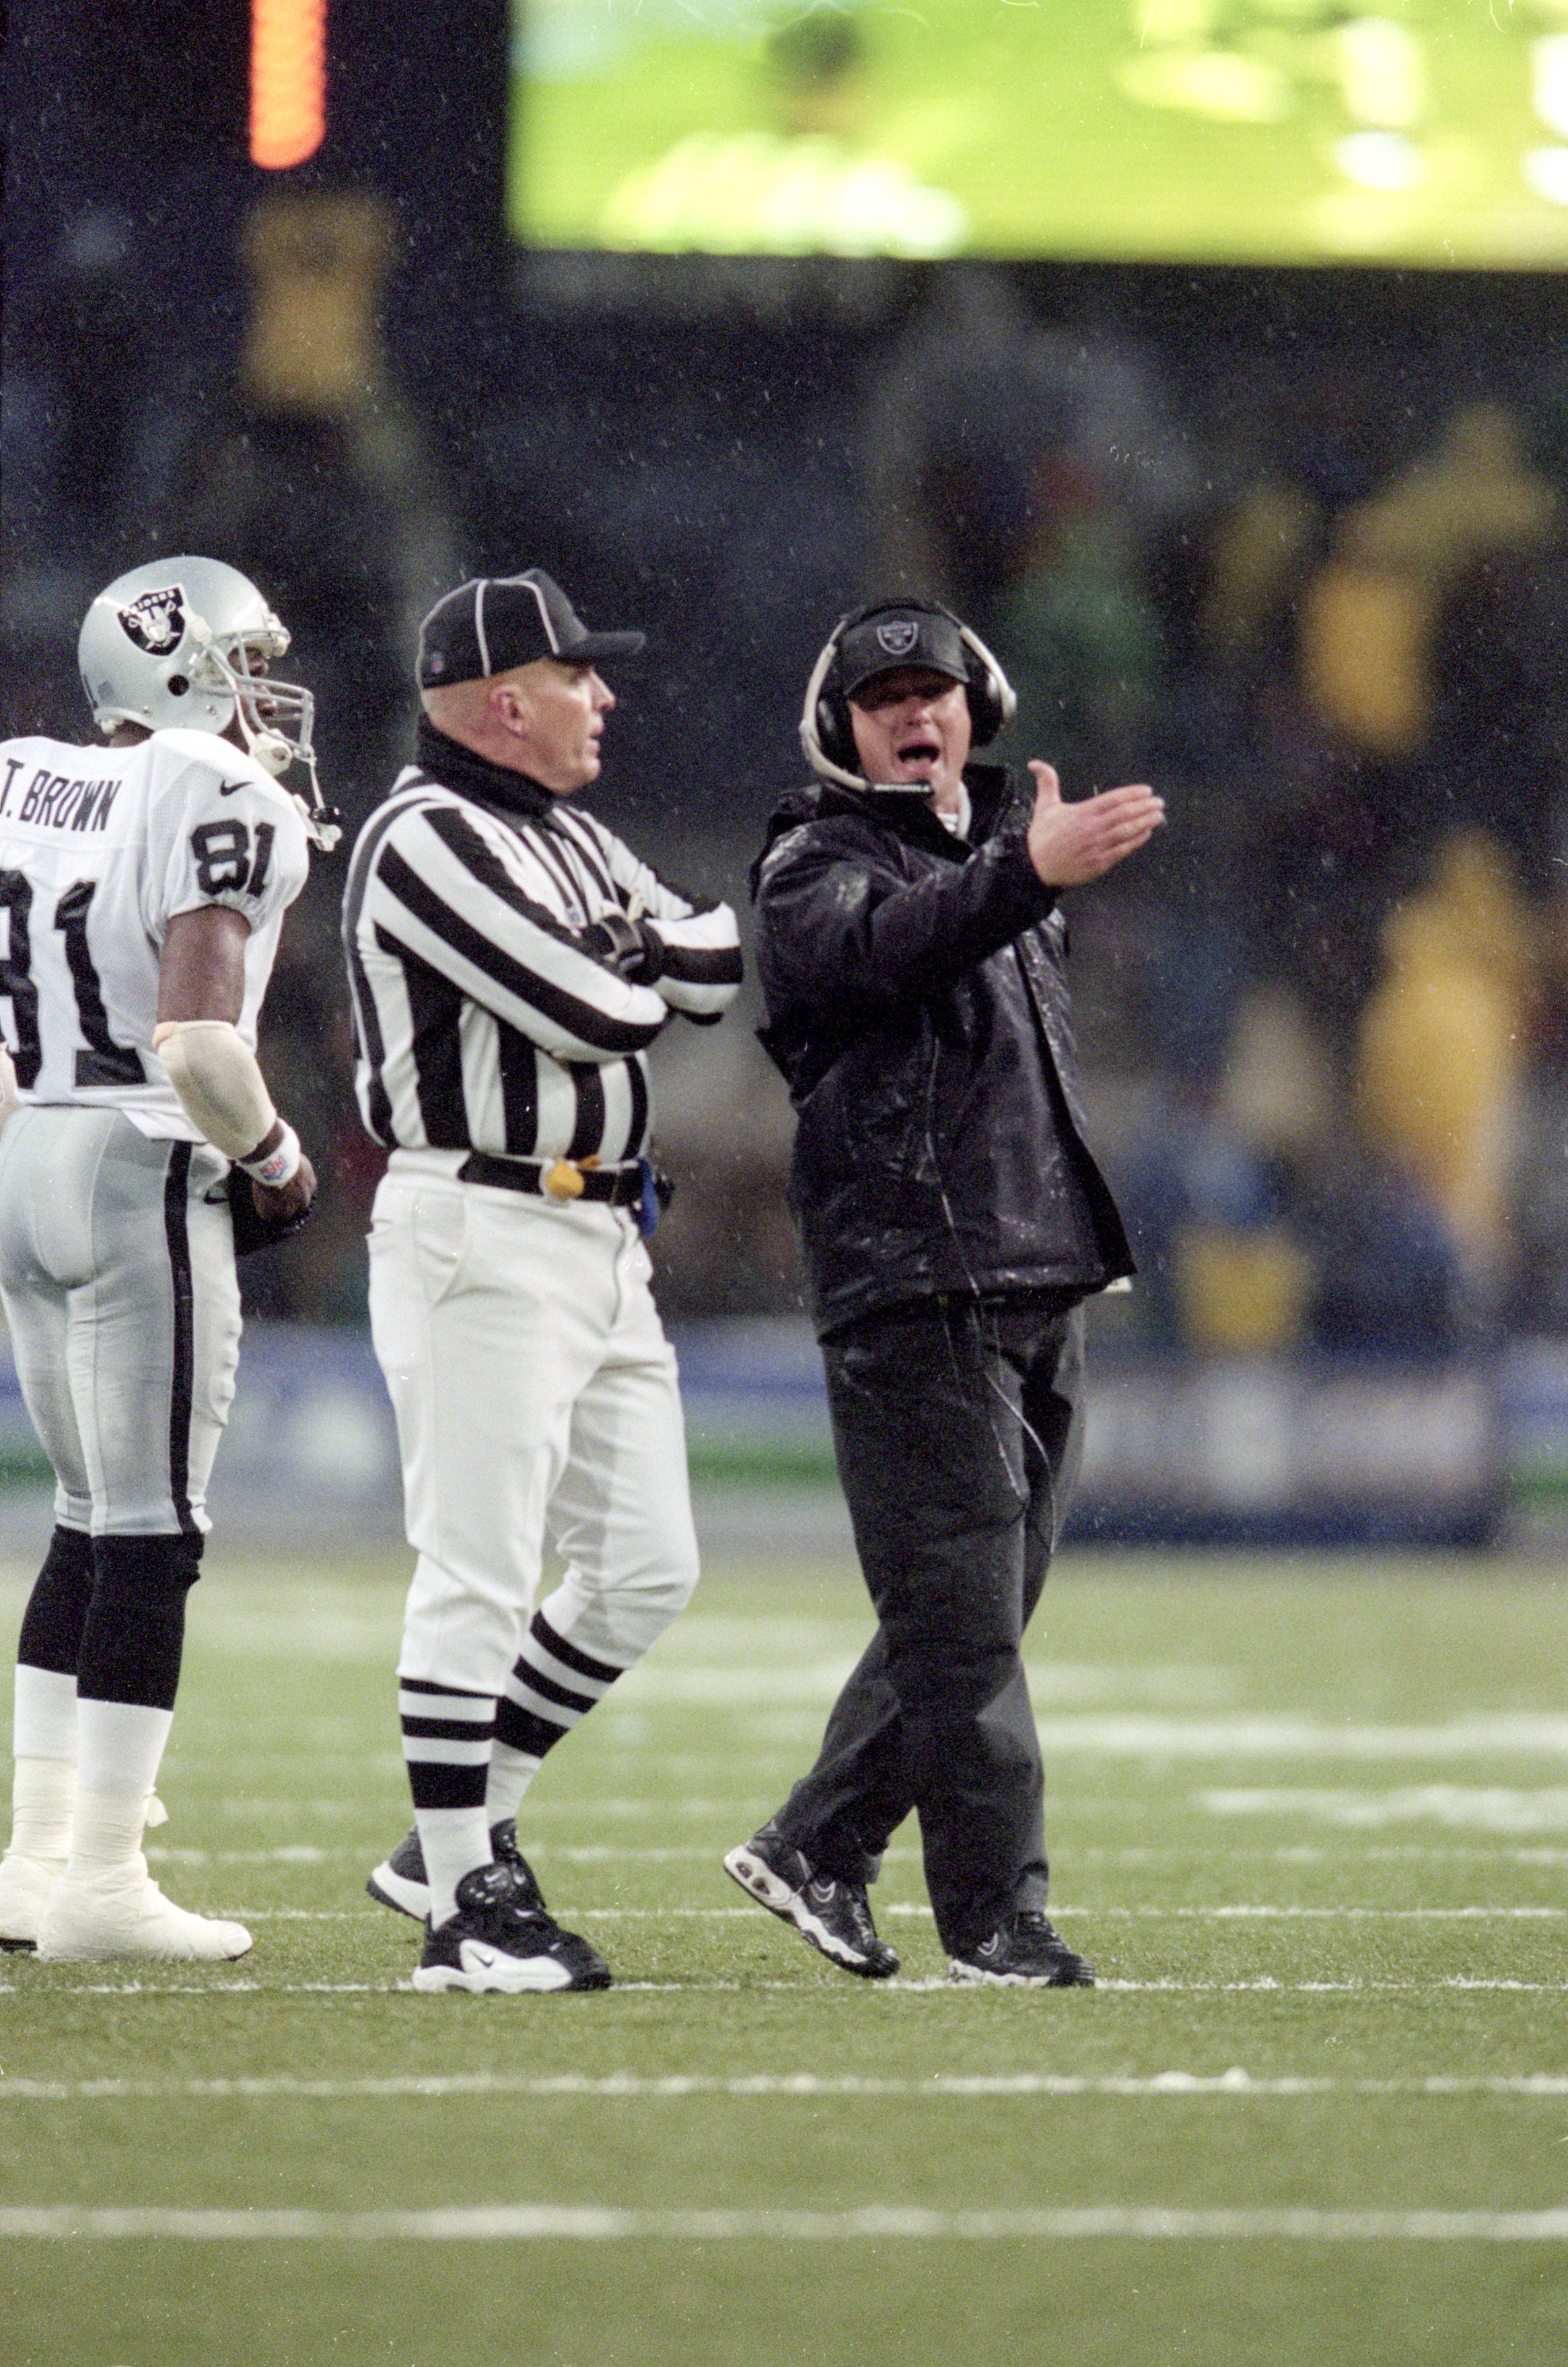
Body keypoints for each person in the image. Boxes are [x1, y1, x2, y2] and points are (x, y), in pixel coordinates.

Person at [725, 599, 1163, 1987]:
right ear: (840, 730)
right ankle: (994, 1918)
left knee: (972, 1612)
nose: (916, 713)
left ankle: (815, 1842)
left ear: (980, 707)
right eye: (883, 697)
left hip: (1035, 1268)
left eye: (937, 691)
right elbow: (890, 946)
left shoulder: (990, 853)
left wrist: (1015, 864)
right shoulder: (808, 864)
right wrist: (1024, 868)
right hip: (916, 1283)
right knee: (964, 1629)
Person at [345, 569, 742, 1995]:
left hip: (598, 1234)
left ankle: (448, 1838)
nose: (607, 697)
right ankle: (466, 1907)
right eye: (581, 676)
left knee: (644, 1566)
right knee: (479, 1567)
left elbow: (715, 958)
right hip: (481, 1227)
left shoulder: (564, 834)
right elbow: (607, 1003)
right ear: (506, 701)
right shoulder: (419, 836)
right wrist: (639, 956)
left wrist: (640, 953)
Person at [0, 555, 333, 1961]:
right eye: (247, 659)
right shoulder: (216, 789)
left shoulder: (21, 775)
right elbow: (197, 1040)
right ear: (185, 667)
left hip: (25, 1152)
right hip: (141, 1161)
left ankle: (33, 1861)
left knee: (86, 1513)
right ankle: (101, 1885)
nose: (268, 691)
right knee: (151, 1530)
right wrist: (276, 1160)